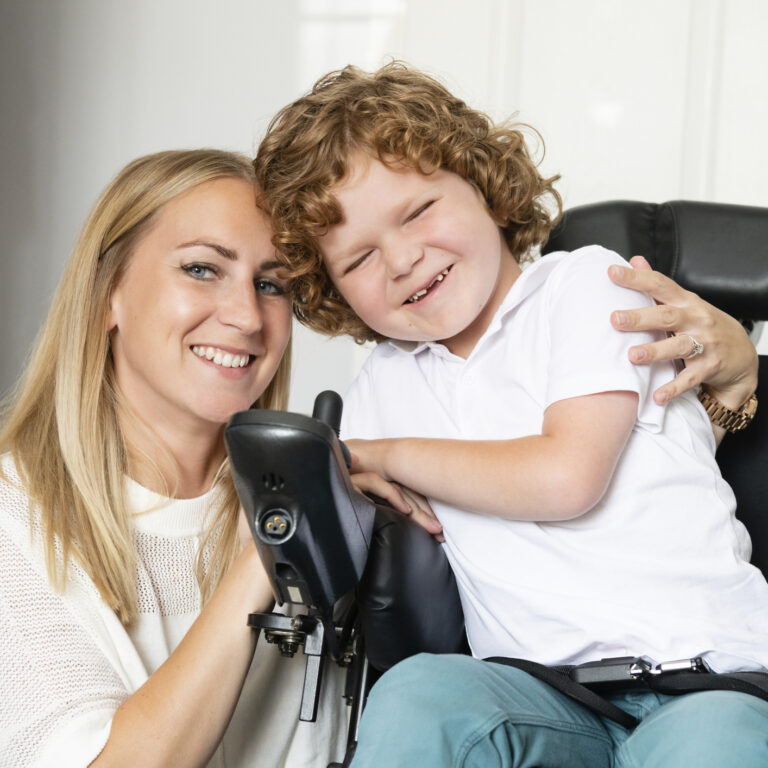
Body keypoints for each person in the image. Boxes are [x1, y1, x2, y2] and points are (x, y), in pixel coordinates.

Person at [254, 62, 768, 767]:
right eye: (360, 258)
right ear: (333, 289)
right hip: (541, 695)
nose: (402, 259)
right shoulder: (379, 388)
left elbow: (567, 478)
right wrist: (347, 481)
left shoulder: (586, 285)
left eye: (417, 212)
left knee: (711, 747)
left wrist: (382, 455)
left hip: (706, 678)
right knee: (416, 694)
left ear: (484, 185)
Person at [0, 149, 348, 768]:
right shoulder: (14, 520)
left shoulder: (333, 504)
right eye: (202, 269)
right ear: (107, 295)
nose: (247, 316)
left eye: (271, 284)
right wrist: (270, 549)